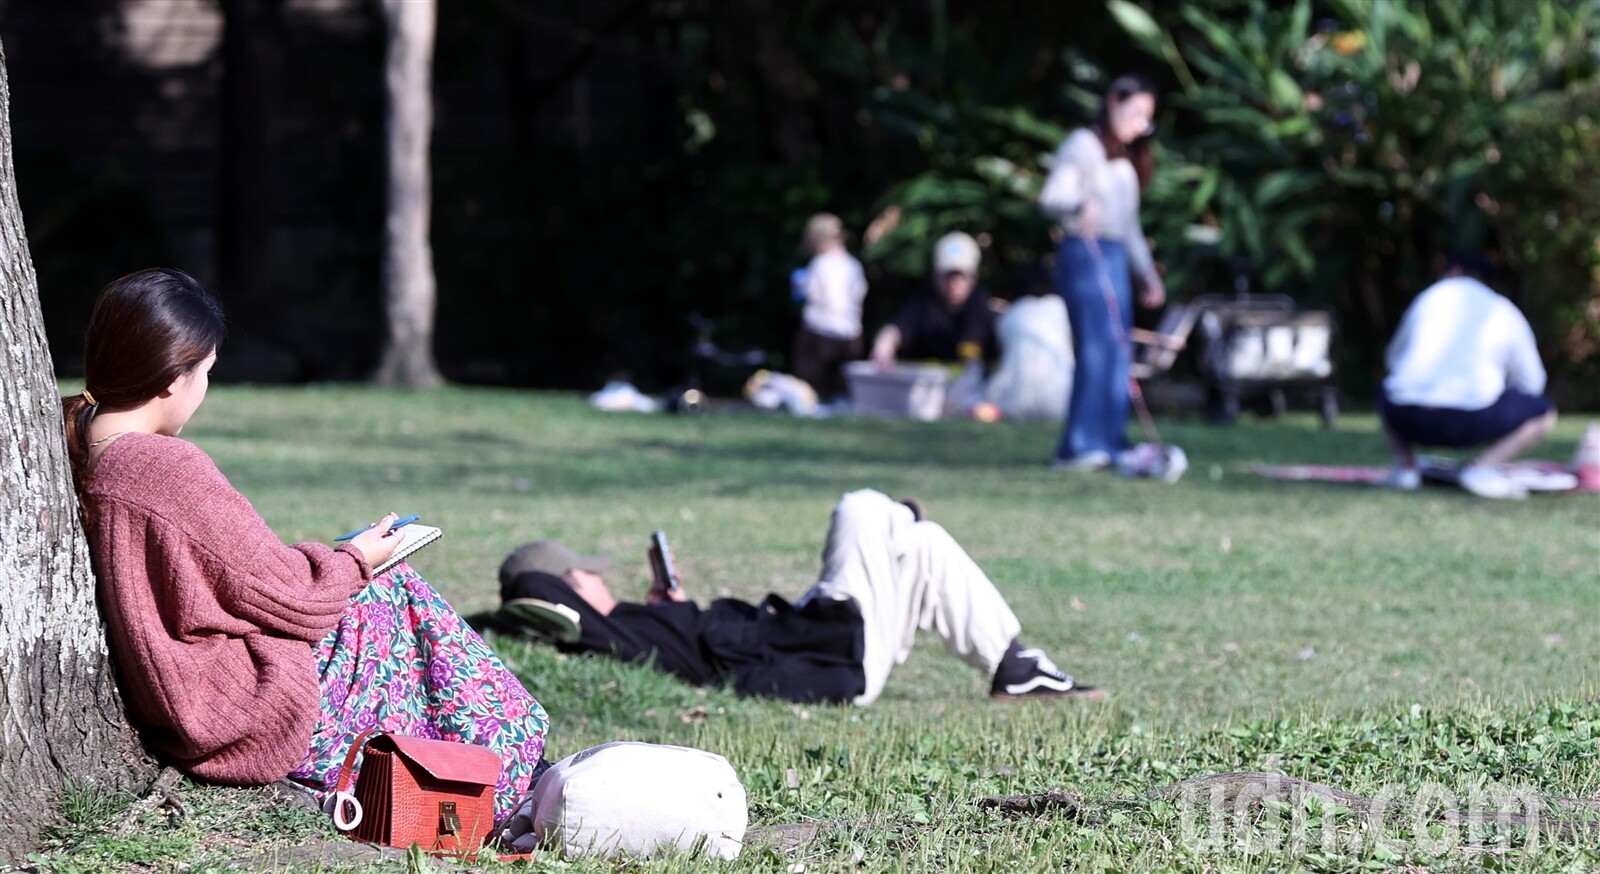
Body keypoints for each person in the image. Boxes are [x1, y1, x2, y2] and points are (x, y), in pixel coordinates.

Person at [61, 269, 548, 824]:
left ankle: (475, 771)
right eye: (206, 373)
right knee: (391, 592)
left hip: (178, 695)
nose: (204, 391)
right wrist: (360, 557)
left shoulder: (81, 445)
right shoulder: (161, 466)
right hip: (232, 706)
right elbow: (293, 595)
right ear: (174, 377)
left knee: (375, 594)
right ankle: (509, 774)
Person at [495, 490, 1103, 705]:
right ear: (568, 588)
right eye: (588, 573)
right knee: (861, 508)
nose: (602, 577)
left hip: (822, 635)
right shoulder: (589, 629)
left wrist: (669, 606)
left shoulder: (628, 624)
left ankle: (1017, 668)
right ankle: (893, 516)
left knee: (926, 545)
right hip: (829, 658)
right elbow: (526, 596)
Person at [1039, 75, 1166, 471]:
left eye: (1148, 118)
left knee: (1117, 351)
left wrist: (1148, 274)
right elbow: (1050, 199)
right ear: (1113, 103)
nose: (1141, 124)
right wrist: (1080, 204)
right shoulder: (1083, 145)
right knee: (1096, 348)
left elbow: (1129, 227)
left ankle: (1111, 441)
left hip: (1114, 256)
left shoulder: (1126, 161)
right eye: (1136, 112)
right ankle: (1081, 444)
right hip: (1084, 252)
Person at [1379, 255, 1557, 499]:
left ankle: (1406, 467)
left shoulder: (1428, 298)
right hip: (1474, 419)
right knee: (1544, 411)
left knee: (1387, 389)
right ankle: (1482, 468)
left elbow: (1392, 360)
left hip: (1408, 416)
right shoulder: (1501, 308)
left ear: (1453, 272)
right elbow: (1532, 383)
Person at [870, 232, 1001, 367]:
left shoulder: (984, 308)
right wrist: (884, 345)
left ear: (974, 276)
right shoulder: (923, 304)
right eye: (948, 275)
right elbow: (897, 328)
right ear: (935, 275)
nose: (954, 282)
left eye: (961, 275)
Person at [791, 213, 869, 400]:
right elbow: (860, 293)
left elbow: (812, 293)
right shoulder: (853, 265)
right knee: (843, 391)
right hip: (850, 336)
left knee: (811, 390)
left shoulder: (819, 264)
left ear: (818, 241)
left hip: (818, 335)